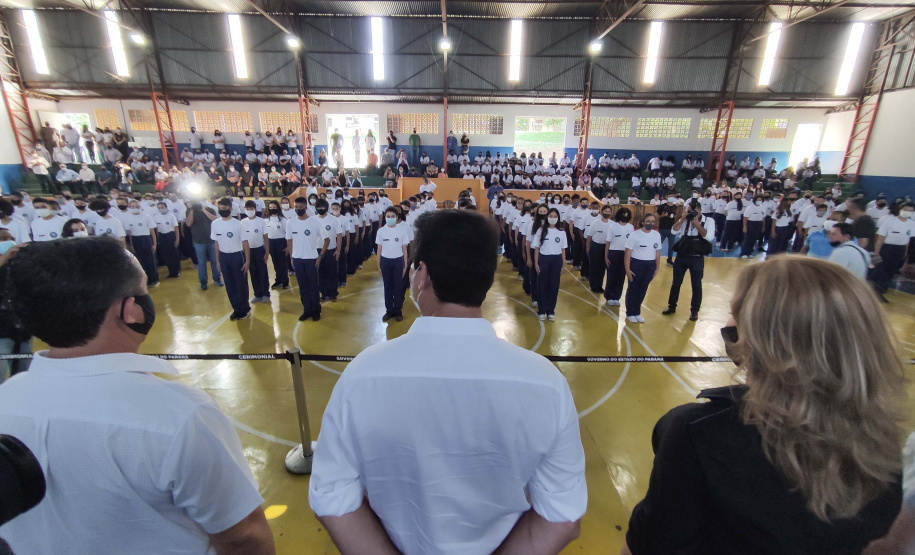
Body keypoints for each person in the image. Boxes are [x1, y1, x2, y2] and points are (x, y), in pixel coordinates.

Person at [309, 209, 585, 554]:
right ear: (488, 276)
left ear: (422, 274)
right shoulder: (546, 384)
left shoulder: (363, 376)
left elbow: (332, 496)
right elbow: (562, 517)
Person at [0, 238, 275, 554]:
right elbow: (243, 536)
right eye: (143, 288)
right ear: (132, 311)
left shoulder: (6, 398)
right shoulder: (177, 416)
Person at [622, 256, 907, 555]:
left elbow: (649, 546)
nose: (727, 324)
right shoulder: (884, 447)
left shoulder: (698, 433)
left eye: (734, 314)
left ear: (759, 337)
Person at [662, 199, 714, 321]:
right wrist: (682, 219)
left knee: (696, 285)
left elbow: (709, 237)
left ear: (700, 210)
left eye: (695, 211)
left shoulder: (709, 221)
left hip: (697, 258)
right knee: (676, 283)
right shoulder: (685, 221)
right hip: (682, 256)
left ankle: (694, 311)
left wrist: (696, 223)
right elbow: (673, 231)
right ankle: (672, 306)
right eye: (690, 211)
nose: (692, 214)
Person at [285, 196, 327, 322]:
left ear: (306, 207)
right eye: (296, 207)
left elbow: (327, 240)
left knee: (313, 286)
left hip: (311, 259)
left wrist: (320, 256)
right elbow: (289, 240)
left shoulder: (314, 222)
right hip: (297, 259)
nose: (298, 209)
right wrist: (292, 257)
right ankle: (306, 309)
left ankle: (316, 310)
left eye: (301, 207)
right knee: (302, 286)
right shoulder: (290, 223)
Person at [211, 198, 250, 320]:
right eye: (220, 209)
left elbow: (245, 243)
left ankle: (244, 308)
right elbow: (216, 243)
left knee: (240, 283)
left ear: (230, 208)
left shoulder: (238, 224)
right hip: (224, 256)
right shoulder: (215, 224)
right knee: (229, 284)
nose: (222, 210)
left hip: (237, 256)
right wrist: (217, 260)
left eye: (225, 208)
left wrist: (247, 261)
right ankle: (236, 308)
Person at [870, 201, 913, 302]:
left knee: (891, 271)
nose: (908, 212)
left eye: (911, 210)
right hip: (887, 248)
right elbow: (880, 237)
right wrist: (877, 252)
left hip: (900, 250)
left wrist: (905, 253)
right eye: (905, 209)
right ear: (900, 210)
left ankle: (882, 290)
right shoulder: (889, 221)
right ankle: (876, 292)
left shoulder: (912, 224)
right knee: (882, 270)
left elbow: (908, 240)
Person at [624, 213, 661, 323]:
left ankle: (637, 311)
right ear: (643, 222)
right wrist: (627, 269)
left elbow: (657, 253)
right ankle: (630, 312)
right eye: (648, 221)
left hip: (650, 265)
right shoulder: (634, 235)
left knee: (643, 289)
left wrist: (657, 268)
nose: (651, 223)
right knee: (633, 289)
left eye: (653, 221)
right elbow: (627, 253)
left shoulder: (656, 235)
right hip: (636, 264)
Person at [532, 207, 568, 321]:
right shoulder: (541, 230)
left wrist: (564, 264)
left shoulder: (561, 232)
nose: (553, 218)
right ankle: (542, 310)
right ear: (547, 217)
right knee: (542, 285)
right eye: (551, 216)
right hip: (544, 259)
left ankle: (551, 310)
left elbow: (563, 249)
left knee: (554, 285)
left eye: (555, 216)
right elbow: (536, 248)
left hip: (556, 260)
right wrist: (536, 263)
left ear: (558, 218)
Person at [375, 207, 409, 322]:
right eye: (388, 217)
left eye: (392, 216)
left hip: (398, 261)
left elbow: (404, 249)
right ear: (385, 218)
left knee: (398, 287)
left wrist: (405, 265)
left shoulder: (402, 231)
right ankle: (389, 311)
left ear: (397, 217)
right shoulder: (381, 231)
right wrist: (378, 265)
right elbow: (379, 250)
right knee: (387, 287)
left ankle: (398, 311)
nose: (390, 218)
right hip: (385, 261)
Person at [124, 199, 159, 287]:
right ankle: (144, 281)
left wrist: (154, 243)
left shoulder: (146, 217)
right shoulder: (128, 218)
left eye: (137, 206)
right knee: (140, 260)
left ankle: (153, 280)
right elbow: (130, 233)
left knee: (150, 260)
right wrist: (131, 244)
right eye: (133, 206)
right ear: (129, 207)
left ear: (140, 206)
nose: (135, 208)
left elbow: (152, 231)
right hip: (136, 239)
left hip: (146, 239)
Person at [241, 200, 270, 304]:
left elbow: (266, 237)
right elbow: (242, 239)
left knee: (262, 272)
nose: (250, 211)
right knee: (253, 273)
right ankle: (258, 294)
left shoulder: (261, 221)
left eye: (251, 209)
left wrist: (267, 252)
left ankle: (266, 293)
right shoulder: (243, 222)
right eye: (247, 209)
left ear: (255, 209)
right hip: (248, 251)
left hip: (259, 249)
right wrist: (244, 252)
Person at [314, 198, 342, 303]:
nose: (321, 209)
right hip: (317, 250)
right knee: (321, 273)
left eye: (323, 207)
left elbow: (339, 234)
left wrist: (338, 250)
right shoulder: (313, 219)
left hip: (331, 250)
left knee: (332, 273)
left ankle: (333, 293)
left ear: (326, 207)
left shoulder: (334, 219)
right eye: (319, 207)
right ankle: (323, 293)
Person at [264, 200, 289, 290]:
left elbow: (288, 234)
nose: (272, 209)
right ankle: (278, 280)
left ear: (278, 208)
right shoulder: (266, 220)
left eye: (274, 207)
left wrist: (288, 246)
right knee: (275, 262)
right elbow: (265, 234)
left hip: (281, 242)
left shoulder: (283, 220)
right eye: (270, 208)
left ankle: (285, 281)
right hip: (271, 242)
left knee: (283, 263)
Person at [153, 201, 181, 279]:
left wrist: (177, 239)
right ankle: (171, 271)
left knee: (173, 254)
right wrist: (158, 239)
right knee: (166, 255)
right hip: (162, 236)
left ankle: (177, 271)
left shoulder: (171, 216)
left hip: (171, 235)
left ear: (166, 207)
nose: (161, 209)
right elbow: (156, 229)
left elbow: (176, 228)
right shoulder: (156, 217)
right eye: (159, 208)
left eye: (162, 207)